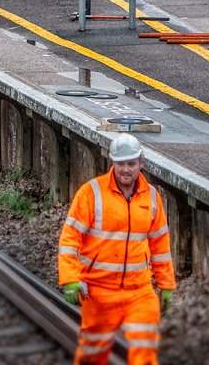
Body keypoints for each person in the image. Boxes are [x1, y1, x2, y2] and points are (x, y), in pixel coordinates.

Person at [58, 133, 176, 365]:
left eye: (131, 163)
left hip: (138, 289)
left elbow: (160, 244)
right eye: (121, 163)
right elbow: (70, 238)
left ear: (141, 163)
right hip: (99, 289)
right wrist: (69, 278)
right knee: (93, 353)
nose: (126, 170)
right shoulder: (91, 193)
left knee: (145, 351)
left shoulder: (152, 197)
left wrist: (166, 284)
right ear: (112, 162)